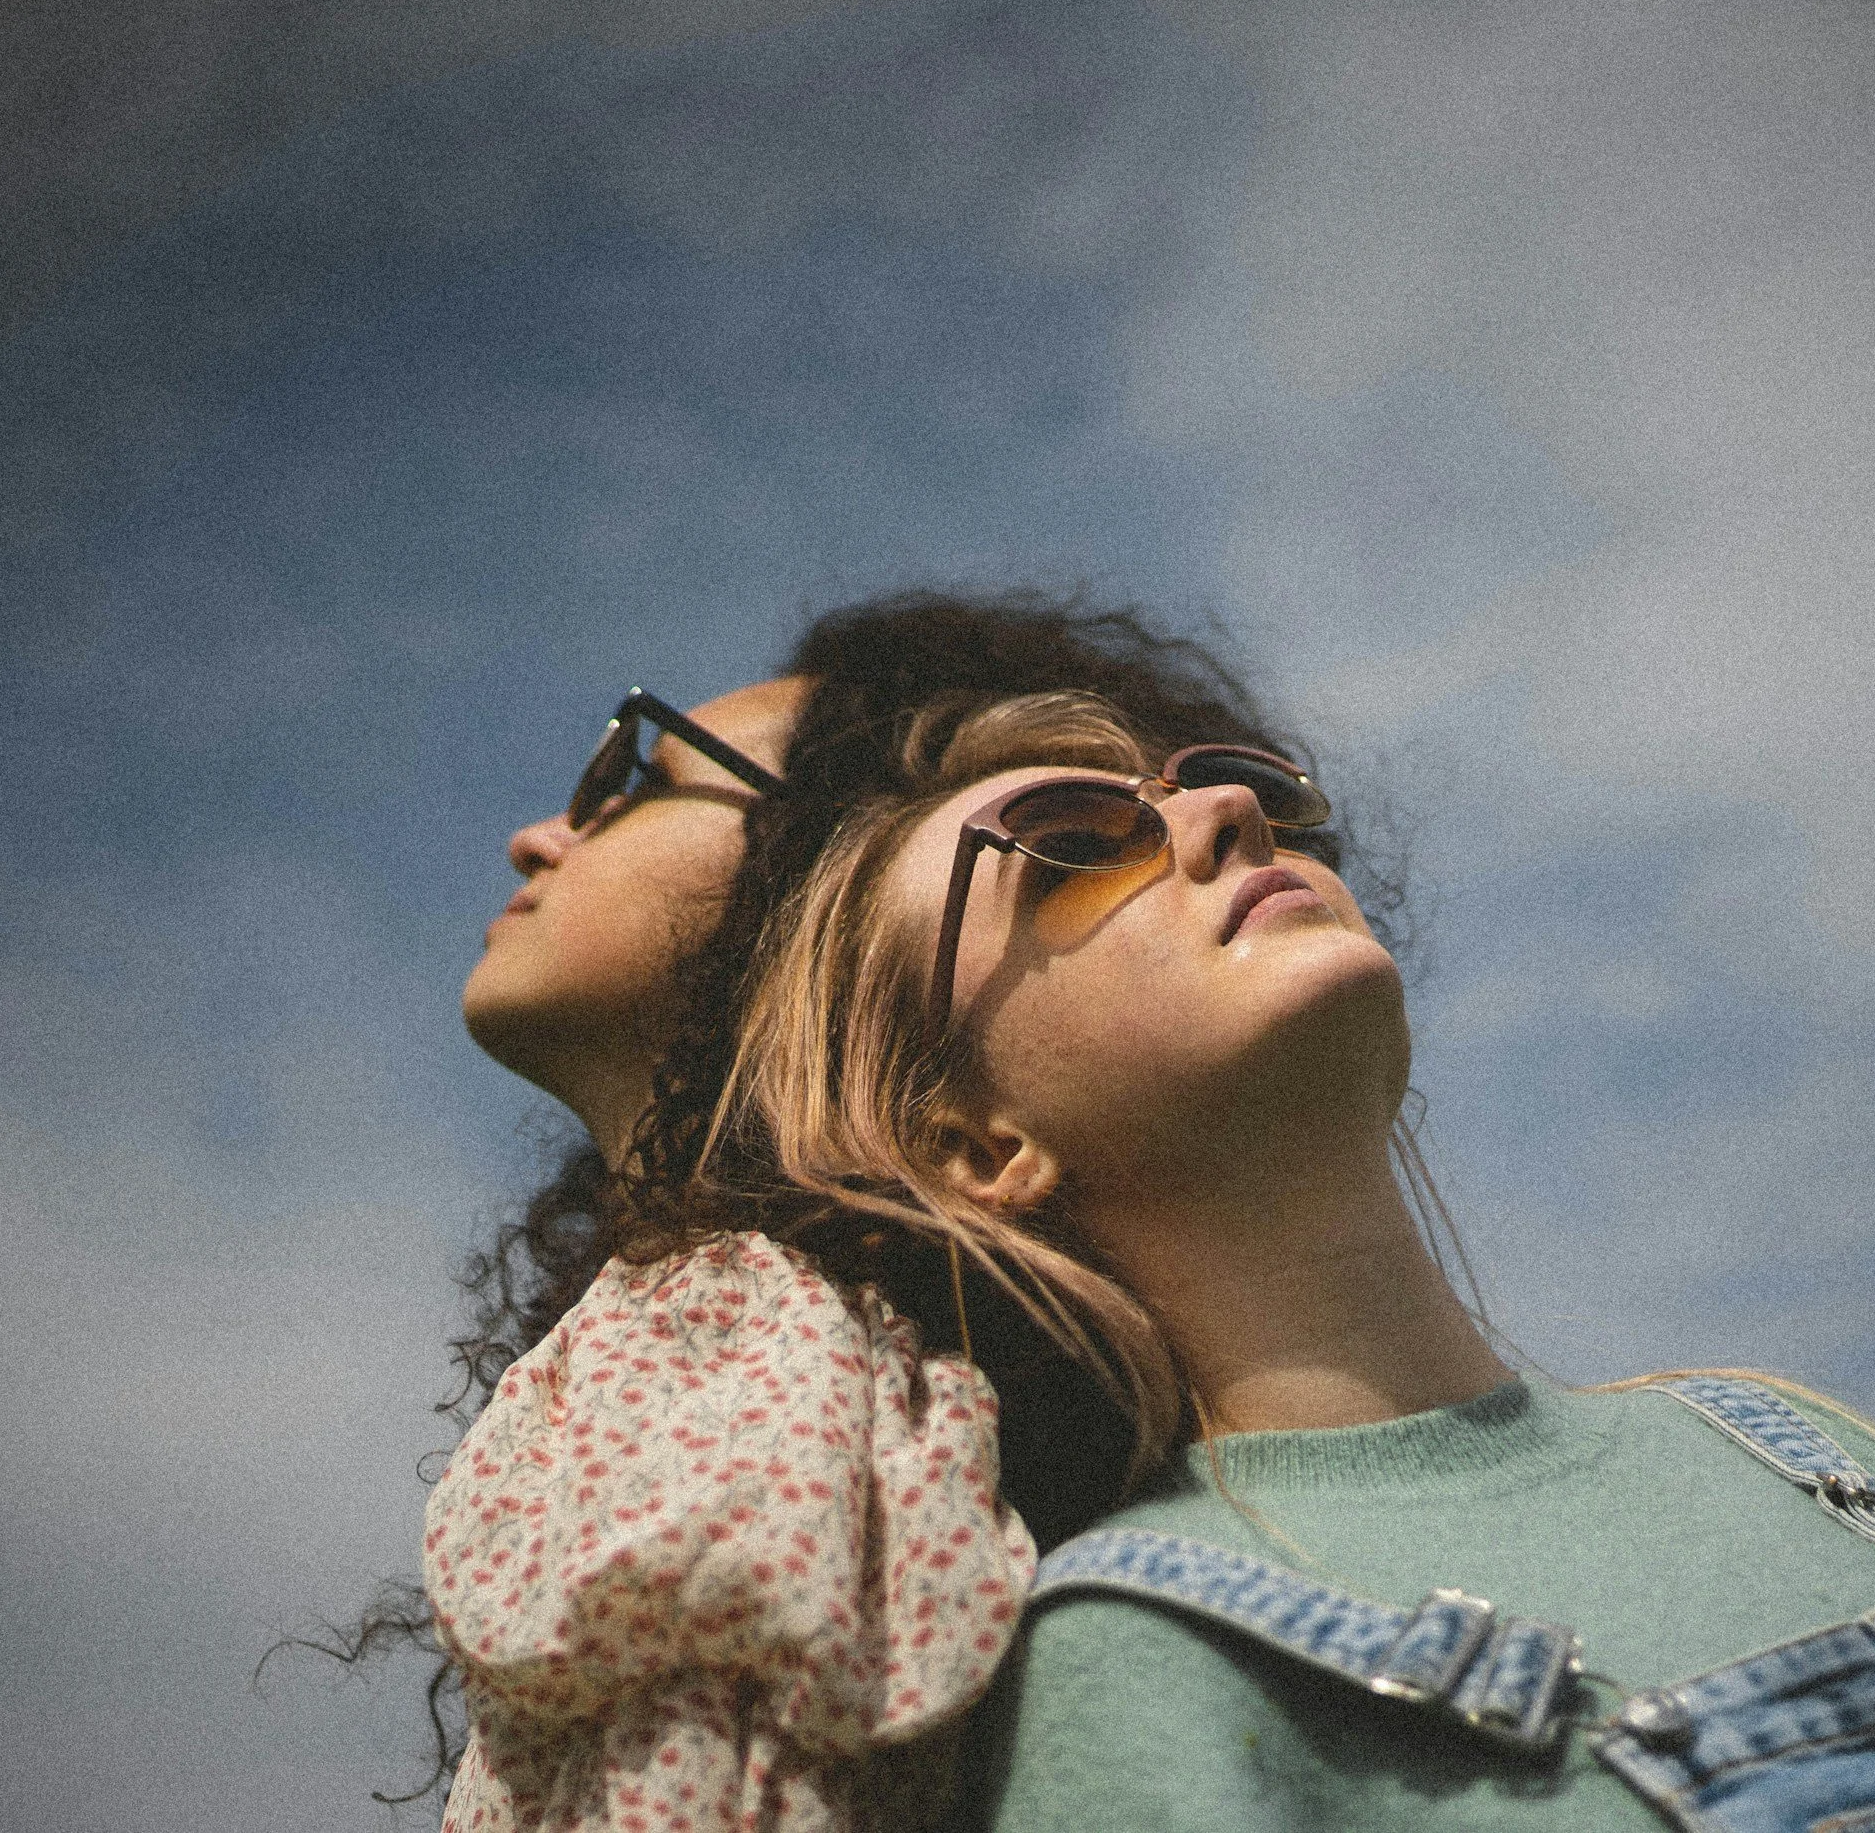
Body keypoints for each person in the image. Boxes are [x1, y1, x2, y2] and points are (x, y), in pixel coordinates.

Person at [710, 690, 1875, 1833]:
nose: (1228, 809)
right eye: (1075, 852)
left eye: (1250, 793)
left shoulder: (1796, 1447)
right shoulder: (1146, 1657)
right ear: (974, 1144)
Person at [406, 596, 1404, 1829]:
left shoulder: (866, 1474)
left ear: (807, 871)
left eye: (637, 779)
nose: (538, 835)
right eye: (1077, 834)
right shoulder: (704, 1420)